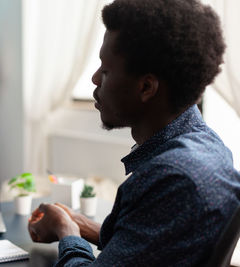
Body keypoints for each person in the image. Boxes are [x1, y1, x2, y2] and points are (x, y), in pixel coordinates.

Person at [28, 0, 240, 266]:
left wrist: (66, 233)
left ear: (146, 87)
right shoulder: (212, 147)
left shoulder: (172, 176)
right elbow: (151, 246)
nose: (95, 79)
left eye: (105, 71)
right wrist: (77, 222)